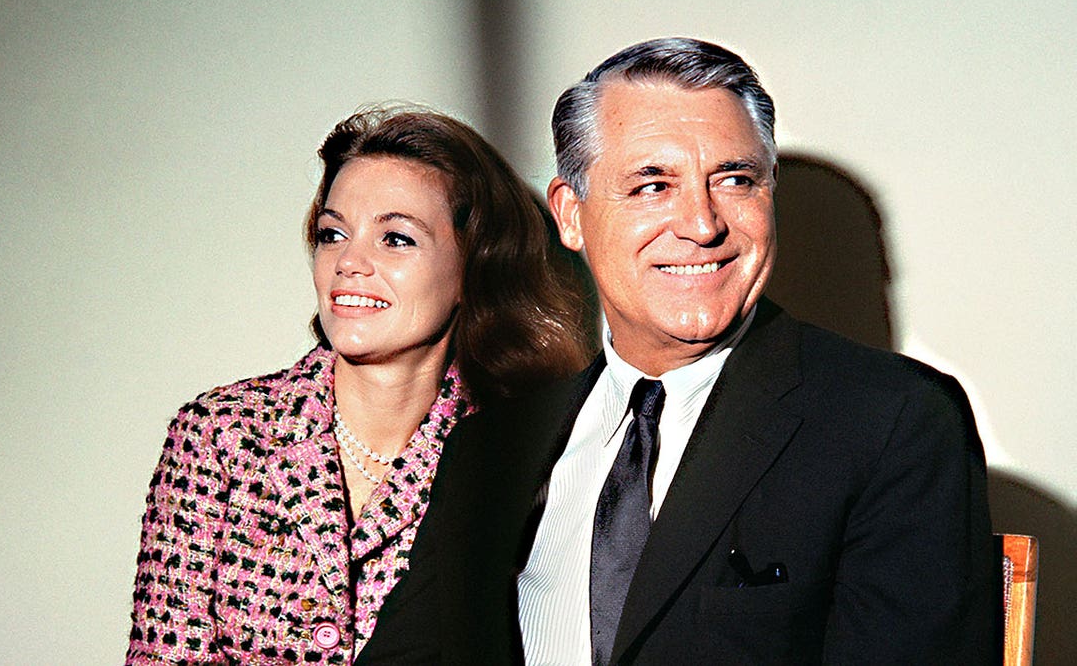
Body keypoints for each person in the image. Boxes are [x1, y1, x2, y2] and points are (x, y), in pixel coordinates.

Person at [362, 38, 998, 665]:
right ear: (571, 214)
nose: (702, 224)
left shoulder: (894, 421)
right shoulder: (491, 447)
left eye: (735, 179)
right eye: (652, 186)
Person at [125, 106, 597, 664]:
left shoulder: (524, 455)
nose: (350, 261)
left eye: (396, 239)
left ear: (476, 268)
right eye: (333, 234)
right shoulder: (220, 437)